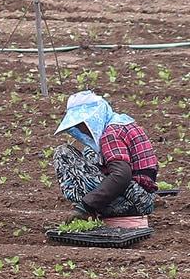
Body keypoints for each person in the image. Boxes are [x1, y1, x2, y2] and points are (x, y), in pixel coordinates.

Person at [52, 90, 158, 218]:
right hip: (144, 198)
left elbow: (122, 175)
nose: (81, 129)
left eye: (83, 123)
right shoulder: (120, 123)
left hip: (133, 201)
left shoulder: (110, 135)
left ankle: (90, 208)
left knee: (63, 153)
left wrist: (86, 206)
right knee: (90, 152)